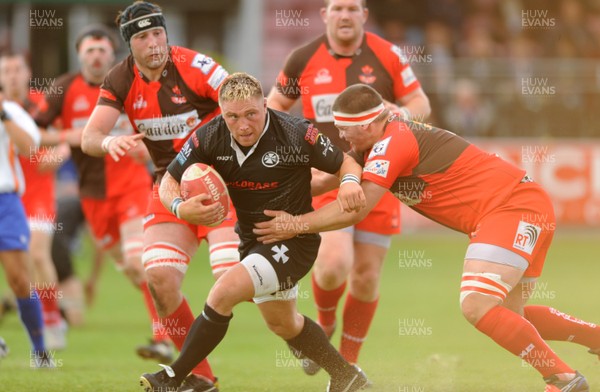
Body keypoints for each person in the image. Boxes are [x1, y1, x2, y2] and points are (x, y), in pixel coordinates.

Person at [254, 84, 598, 392]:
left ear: (371, 124)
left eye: (347, 130)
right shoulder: (371, 146)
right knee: (510, 314)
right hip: (522, 205)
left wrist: (294, 224)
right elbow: (315, 184)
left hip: (509, 209)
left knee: (477, 304)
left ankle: (564, 379)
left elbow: (356, 211)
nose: (343, 138)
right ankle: (594, 339)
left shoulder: (392, 143)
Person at [139, 72, 369, 392]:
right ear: (222, 113)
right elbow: (169, 180)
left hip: (293, 240)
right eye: (233, 116)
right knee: (284, 324)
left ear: (264, 105)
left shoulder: (296, 133)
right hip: (252, 242)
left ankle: (174, 377)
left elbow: (346, 162)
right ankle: (348, 377)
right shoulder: (210, 136)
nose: (243, 125)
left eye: (251, 114)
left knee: (222, 293)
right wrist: (179, 207)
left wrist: (348, 182)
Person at [81, 2, 240, 390]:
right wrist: (111, 141)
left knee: (233, 280)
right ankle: (200, 379)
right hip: (169, 185)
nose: (153, 44)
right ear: (129, 45)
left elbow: (245, 101)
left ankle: (303, 332)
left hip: (220, 180)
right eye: (141, 37)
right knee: (159, 280)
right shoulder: (120, 79)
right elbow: (89, 138)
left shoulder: (195, 66)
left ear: (166, 33)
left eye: (157, 34)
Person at [267, 0, 431, 372]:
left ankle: (347, 367)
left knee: (367, 277)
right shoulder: (302, 58)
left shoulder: (387, 54)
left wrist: (401, 113)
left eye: (352, 8)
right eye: (337, 8)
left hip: (379, 175)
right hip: (327, 176)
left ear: (364, 15)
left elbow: (421, 103)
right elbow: (275, 107)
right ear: (324, 14)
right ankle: (323, 324)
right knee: (332, 267)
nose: (345, 15)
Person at [35, 24, 172, 362]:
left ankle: (163, 337)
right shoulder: (64, 88)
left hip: (132, 188)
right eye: (89, 51)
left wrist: (150, 151)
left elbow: (161, 127)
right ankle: (170, 307)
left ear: (112, 54)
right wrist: (71, 135)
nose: (96, 56)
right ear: (79, 54)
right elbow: (34, 133)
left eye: (102, 50)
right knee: (130, 269)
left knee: (140, 260)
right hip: (93, 196)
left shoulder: (131, 83)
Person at [0, 51, 68, 350]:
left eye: (18, 69)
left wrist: (58, 156)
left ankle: (53, 321)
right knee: (20, 266)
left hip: (37, 191)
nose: (13, 75)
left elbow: (65, 137)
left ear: (27, 73)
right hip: (13, 190)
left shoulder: (42, 102)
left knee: (38, 254)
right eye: (7, 70)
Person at [0, 90, 53, 367]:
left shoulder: (11, 110)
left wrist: (3, 115)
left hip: (6, 203)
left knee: (20, 279)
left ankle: (40, 352)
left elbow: (30, 148)